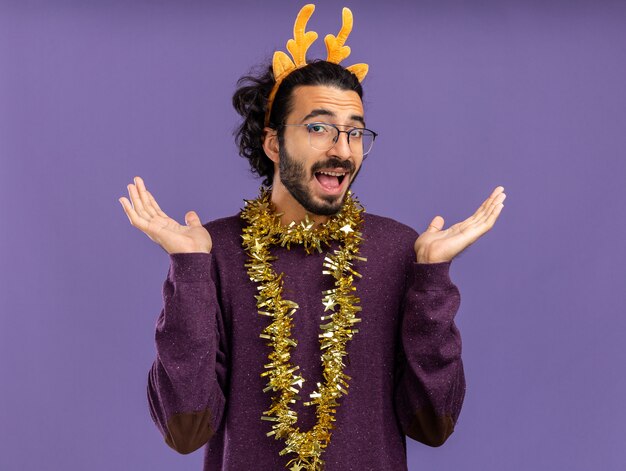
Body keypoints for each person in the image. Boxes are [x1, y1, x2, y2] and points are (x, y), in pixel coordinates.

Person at [118, 5, 506, 470]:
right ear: (273, 144)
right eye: (319, 128)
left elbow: (433, 425)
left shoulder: (399, 251)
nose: (342, 150)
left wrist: (432, 279)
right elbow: (184, 430)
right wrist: (191, 270)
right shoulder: (212, 252)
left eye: (355, 132)